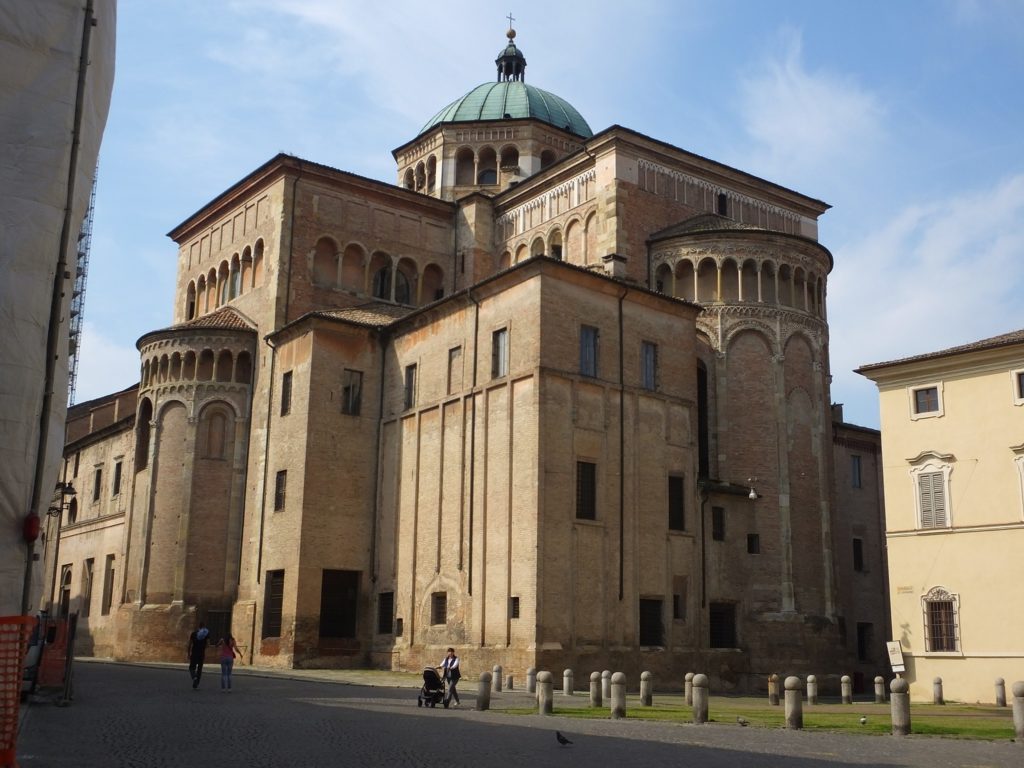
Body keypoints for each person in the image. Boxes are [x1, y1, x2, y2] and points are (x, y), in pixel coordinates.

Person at [186, 622, 210, 689]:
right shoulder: (206, 634)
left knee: (191, 667)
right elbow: (208, 644)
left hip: (194, 653)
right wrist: (203, 646)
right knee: (199, 669)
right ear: (204, 626)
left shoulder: (193, 634)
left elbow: (190, 644)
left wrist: (188, 653)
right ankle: (196, 684)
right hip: (201, 653)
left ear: (198, 626)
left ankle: (194, 677)